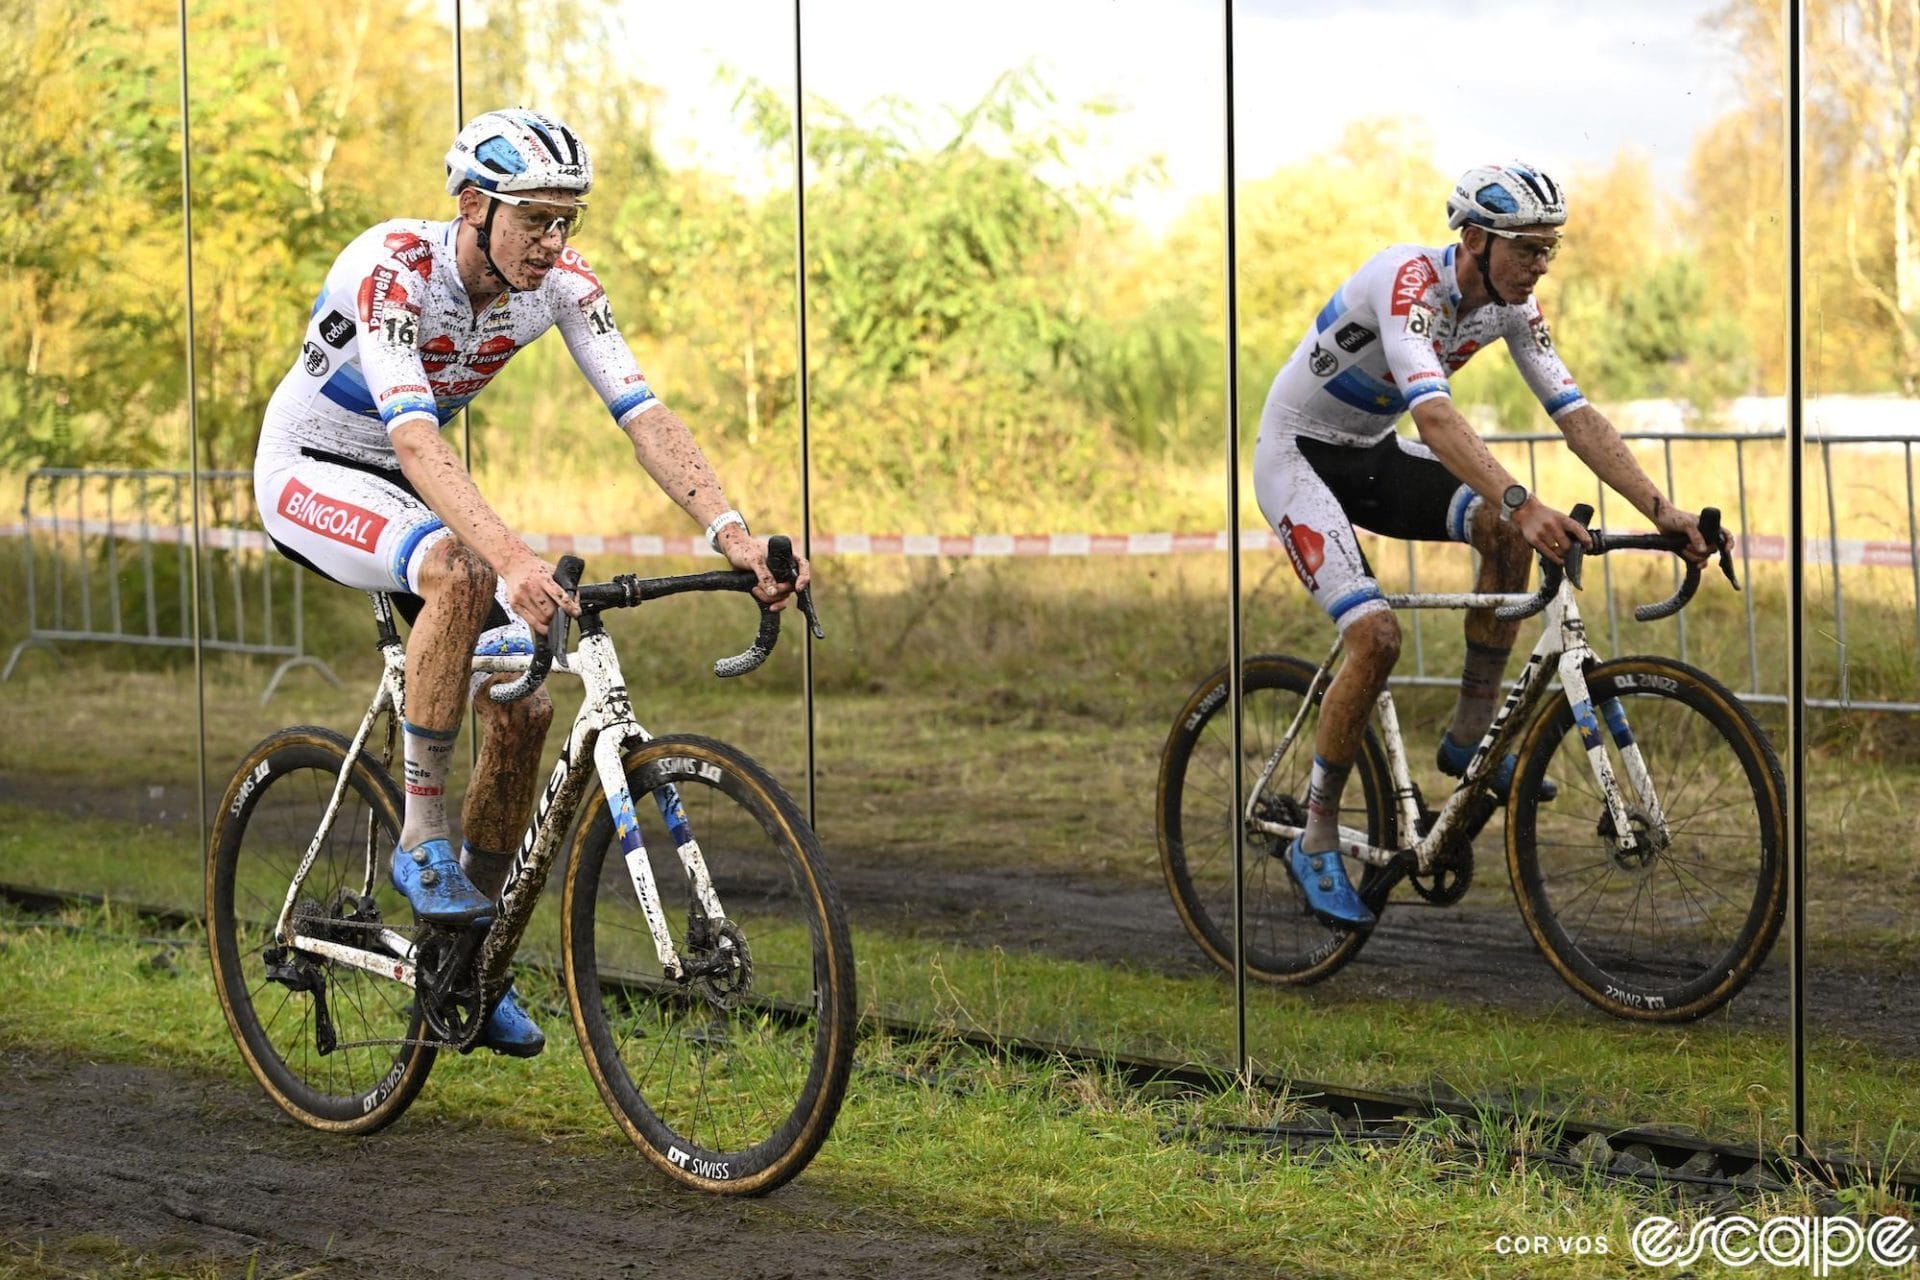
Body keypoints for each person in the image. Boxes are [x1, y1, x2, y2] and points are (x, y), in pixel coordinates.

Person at [253, 108, 806, 1054]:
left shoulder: (560, 286)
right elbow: (416, 440)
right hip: (314, 466)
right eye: (535, 220)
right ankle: (421, 842)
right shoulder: (393, 270)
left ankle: (463, 961)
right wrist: (512, 558)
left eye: (567, 222)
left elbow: (643, 412)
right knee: (464, 571)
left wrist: (734, 533)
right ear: (473, 205)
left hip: (410, 484)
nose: (553, 242)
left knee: (525, 706)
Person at [1251, 161, 1711, 931]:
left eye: (1548, 251)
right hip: (1298, 454)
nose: (1539, 265)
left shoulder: (1511, 308)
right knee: (1375, 635)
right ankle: (1319, 834)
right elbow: (1436, 420)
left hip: (1368, 452)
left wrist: (1661, 508)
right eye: (1527, 248)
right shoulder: (1409, 285)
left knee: (1504, 530)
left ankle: (1469, 737)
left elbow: (1577, 415)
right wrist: (1523, 499)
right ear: (1474, 238)